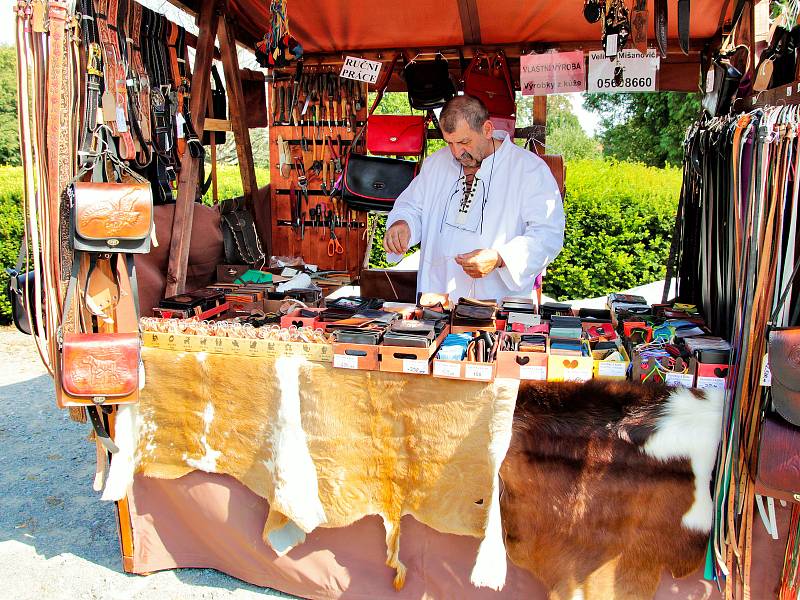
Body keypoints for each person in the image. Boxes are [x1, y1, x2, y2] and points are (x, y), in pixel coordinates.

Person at [383, 94, 565, 304]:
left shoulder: (528, 169)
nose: (456, 152)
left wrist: (501, 258)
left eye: (464, 141)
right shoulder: (435, 164)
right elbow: (412, 207)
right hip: (436, 300)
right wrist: (403, 224)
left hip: (497, 304)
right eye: (450, 143)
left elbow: (547, 233)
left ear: (487, 129)